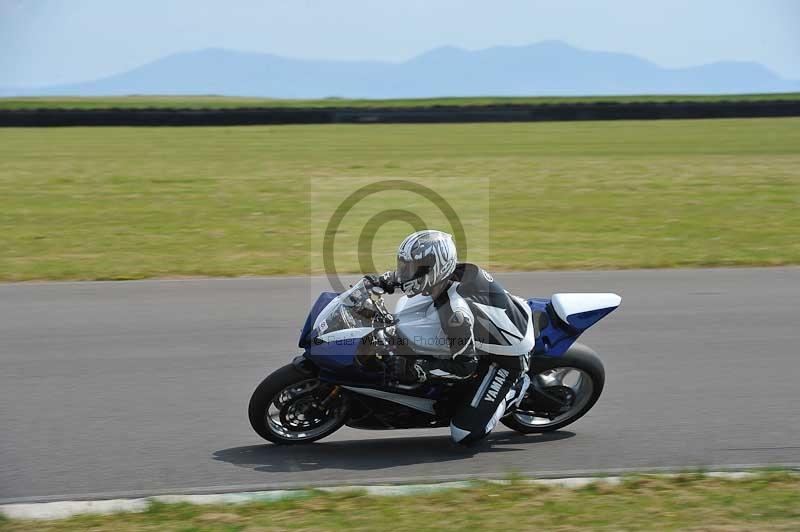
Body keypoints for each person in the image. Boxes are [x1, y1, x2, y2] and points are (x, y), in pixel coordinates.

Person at [367, 230, 534, 445]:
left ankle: (514, 390)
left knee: (463, 434)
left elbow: (465, 368)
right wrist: (380, 282)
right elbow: (412, 279)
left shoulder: (455, 315)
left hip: (507, 358)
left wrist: (421, 368)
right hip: (492, 322)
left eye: (409, 268)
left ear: (435, 268)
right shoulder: (446, 276)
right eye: (403, 265)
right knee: (400, 320)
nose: (404, 272)